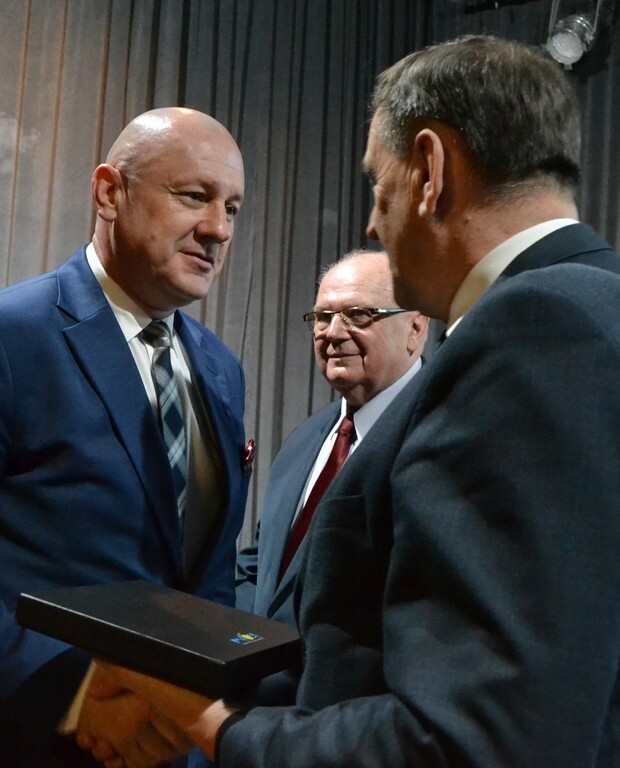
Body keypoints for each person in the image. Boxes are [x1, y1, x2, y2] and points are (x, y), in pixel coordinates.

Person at [88, 35, 620, 767]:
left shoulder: (533, 329)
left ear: (430, 170)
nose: (372, 222)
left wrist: (219, 728)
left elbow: (474, 738)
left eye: (377, 184)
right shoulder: (592, 310)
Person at [0, 107, 252, 768]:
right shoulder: (13, 336)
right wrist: (74, 698)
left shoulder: (222, 371)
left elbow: (207, 576)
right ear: (110, 193)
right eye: (194, 196)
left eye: (231, 207)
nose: (219, 229)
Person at [235, 250, 428, 667]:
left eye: (358, 315)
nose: (333, 333)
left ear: (415, 328)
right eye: (323, 317)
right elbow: (259, 569)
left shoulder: (440, 441)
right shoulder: (306, 438)